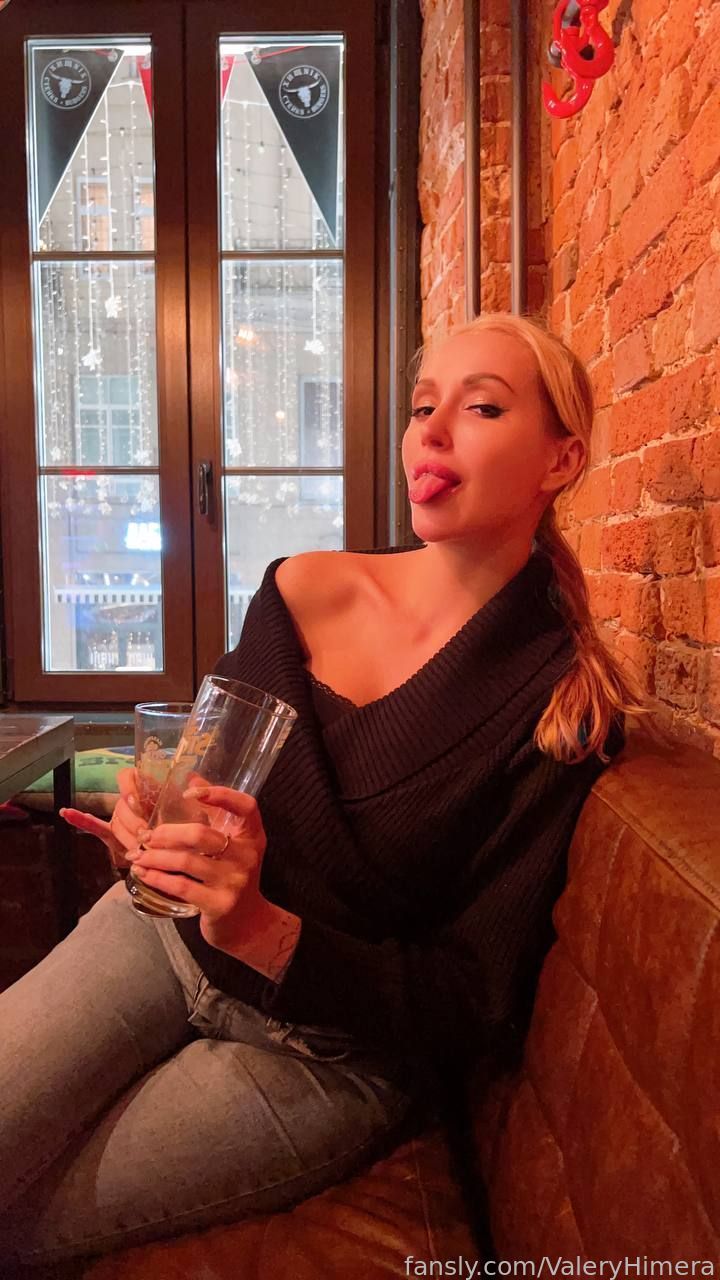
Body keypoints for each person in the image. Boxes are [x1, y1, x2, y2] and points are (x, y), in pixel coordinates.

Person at [0, 313, 646, 1266]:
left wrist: (264, 928)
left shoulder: (559, 711)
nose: (431, 431)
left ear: (562, 460)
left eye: (481, 408)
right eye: (422, 407)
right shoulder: (299, 591)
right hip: (163, 939)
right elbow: (204, 772)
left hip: (324, 1055)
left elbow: (473, 999)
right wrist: (155, 812)